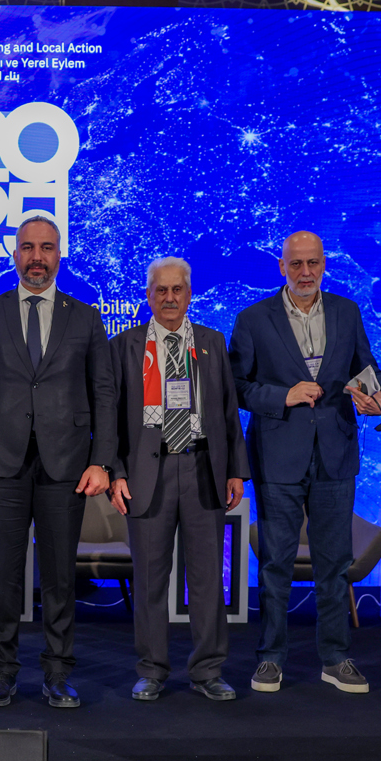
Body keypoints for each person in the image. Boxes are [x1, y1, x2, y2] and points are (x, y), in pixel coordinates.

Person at [0, 215, 115, 708]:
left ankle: (58, 672)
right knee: (2, 576)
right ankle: (2, 672)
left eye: (46, 248)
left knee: (59, 577)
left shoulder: (85, 317)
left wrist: (102, 460)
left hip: (66, 465)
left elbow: (104, 393)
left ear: (59, 255)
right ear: (15, 255)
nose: (37, 257)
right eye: (28, 248)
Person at [228, 231, 381, 695]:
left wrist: (378, 398)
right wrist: (284, 395)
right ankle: (270, 659)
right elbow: (236, 386)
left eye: (313, 263)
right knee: (276, 563)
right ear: (282, 267)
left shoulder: (347, 311)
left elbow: (367, 369)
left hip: (335, 454)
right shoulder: (253, 319)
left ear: (324, 265)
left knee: (334, 564)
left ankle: (335, 659)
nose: (305, 272)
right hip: (278, 456)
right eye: (296, 264)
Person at [109, 257, 249, 702]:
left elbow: (228, 412)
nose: (169, 298)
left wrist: (235, 470)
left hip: (202, 468)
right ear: (148, 295)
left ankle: (208, 670)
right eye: (161, 290)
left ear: (189, 294)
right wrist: (115, 473)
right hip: (146, 473)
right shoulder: (124, 346)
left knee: (207, 578)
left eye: (177, 290)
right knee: (150, 579)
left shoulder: (211, 342)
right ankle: (151, 670)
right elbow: (109, 418)